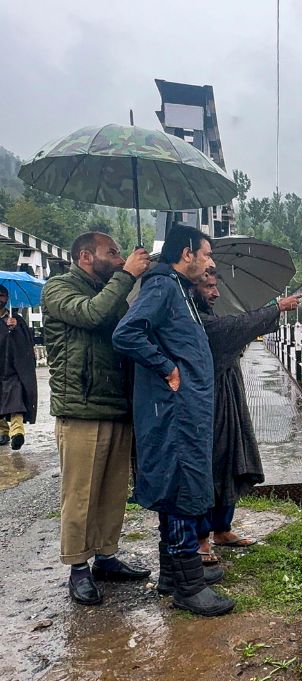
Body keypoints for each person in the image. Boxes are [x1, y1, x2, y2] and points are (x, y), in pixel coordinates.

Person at [112, 225, 234, 617]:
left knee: (178, 487)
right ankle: (188, 586)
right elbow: (126, 333)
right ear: (186, 254)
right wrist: (167, 367)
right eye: (207, 253)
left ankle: (172, 574)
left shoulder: (180, 290)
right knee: (181, 489)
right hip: (174, 414)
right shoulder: (163, 288)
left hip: (186, 412)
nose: (211, 261)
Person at [41, 233, 152, 605]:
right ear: (86, 256)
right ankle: (77, 567)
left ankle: (106, 556)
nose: (119, 258)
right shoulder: (58, 288)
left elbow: (125, 328)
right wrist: (127, 276)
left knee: (112, 490)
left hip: (117, 406)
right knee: (81, 494)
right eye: (112, 252)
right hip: (81, 408)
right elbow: (91, 314)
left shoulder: (111, 290)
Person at [190, 269, 300, 564]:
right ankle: (201, 538)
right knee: (210, 463)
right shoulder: (191, 318)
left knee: (230, 456)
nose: (215, 293)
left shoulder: (206, 314)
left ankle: (222, 529)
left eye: (215, 286)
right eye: (208, 287)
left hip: (229, 394)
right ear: (192, 287)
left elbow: (234, 330)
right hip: (207, 400)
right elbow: (230, 330)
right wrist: (277, 308)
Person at [0, 286, 37, 451]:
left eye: (3, 296)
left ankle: (17, 433)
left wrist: (15, 328)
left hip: (13, 369)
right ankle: (3, 432)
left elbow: (28, 343)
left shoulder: (16, 320)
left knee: (16, 400)